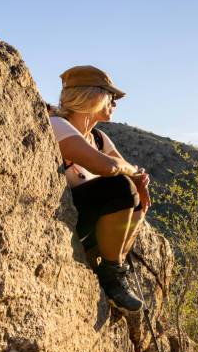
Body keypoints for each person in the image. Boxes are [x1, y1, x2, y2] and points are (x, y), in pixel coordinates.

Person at [48, 65, 151, 312]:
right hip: (66, 218)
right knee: (120, 187)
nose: (114, 103)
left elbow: (121, 166)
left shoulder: (99, 138)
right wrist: (131, 173)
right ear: (91, 95)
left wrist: (137, 180)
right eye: (110, 95)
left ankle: (112, 267)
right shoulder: (58, 126)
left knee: (135, 196)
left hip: (89, 218)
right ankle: (112, 275)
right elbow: (108, 167)